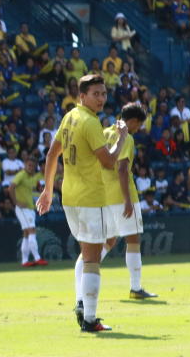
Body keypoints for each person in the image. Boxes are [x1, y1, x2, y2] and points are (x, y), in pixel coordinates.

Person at [37, 74, 127, 333]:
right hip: (89, 198)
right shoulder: (89, 122)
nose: (101, 98)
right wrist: (121, 137)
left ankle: (81, 300)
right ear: (82, 96)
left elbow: (53, 153)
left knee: (108, 239)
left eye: (103, 93)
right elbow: (109, 162)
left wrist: (48, 188)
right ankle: (89, 319)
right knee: (91, 259)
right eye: (96, 94)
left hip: (70, 197)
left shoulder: (69, 117)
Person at [102, 102, 157, 300]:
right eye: (139, 124)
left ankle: (86, 270)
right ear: (132, 121)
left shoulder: (105, 132)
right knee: (133, 239)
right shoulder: (126, 137)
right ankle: (136, 287)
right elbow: (123, 169)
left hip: (104, 194)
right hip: (122, 194)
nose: (139, 128)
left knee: (109, 240)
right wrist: (127, 200)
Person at [9, 157, 47, 267]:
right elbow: (11, 187)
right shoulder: (21, 175)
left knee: (26, 233)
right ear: (25, 165)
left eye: (33, 166)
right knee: (32, 230)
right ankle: (37, 258)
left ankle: (25, 261)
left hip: (29, 208)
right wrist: (16, 202)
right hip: (23, 208)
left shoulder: (31, 178)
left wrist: (38, 190)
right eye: (29, 165)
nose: (31, 168)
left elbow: (28, 189)